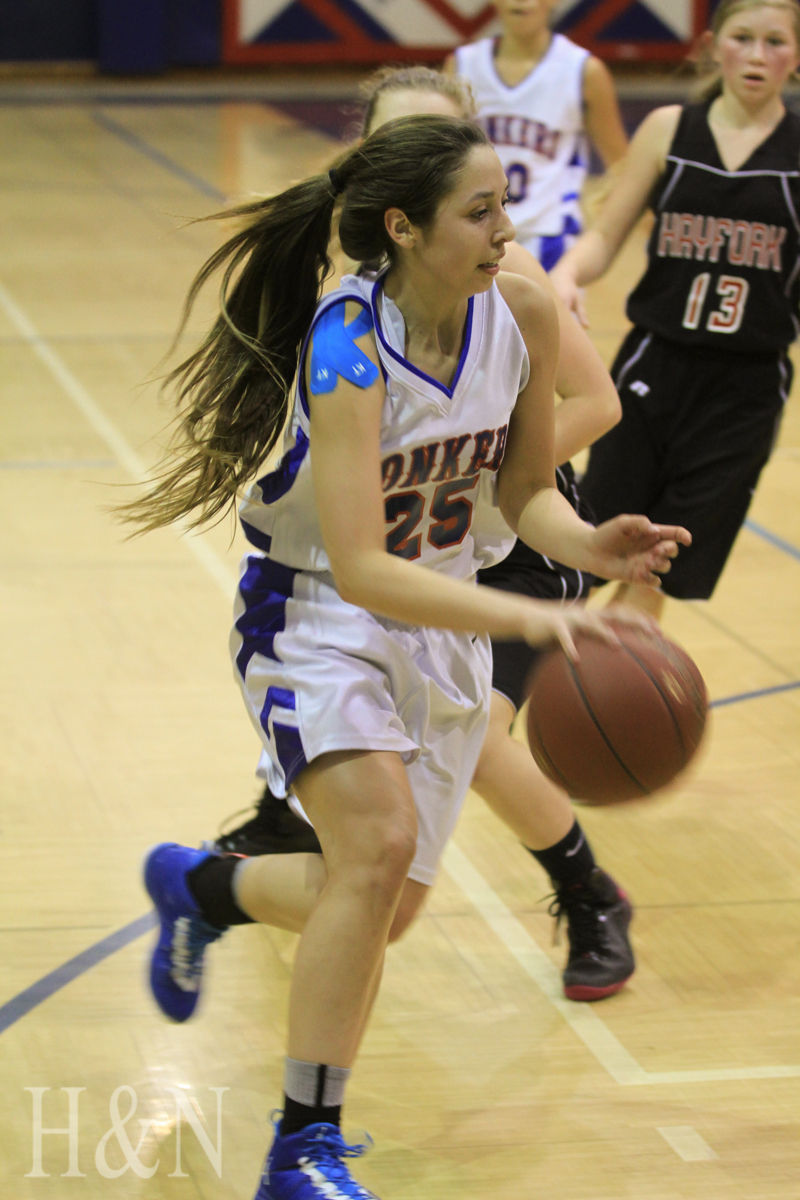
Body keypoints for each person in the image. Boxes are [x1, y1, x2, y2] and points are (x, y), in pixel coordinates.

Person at [123, 115, 689, 1199]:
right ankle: (303, 1148)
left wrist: (590, 540)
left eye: (503, 208)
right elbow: (364, 567)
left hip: (442, 619)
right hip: (316, 617)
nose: (503, 231)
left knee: (384, 901)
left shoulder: (517, 306)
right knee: (374, 850)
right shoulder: (344, 347)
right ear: (403, 228)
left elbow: (520, 493)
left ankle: (201, 887)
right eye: (477, 213)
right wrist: (536, 622)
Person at [212, 65, 637, 1003]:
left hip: (497, 541)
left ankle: (586, 888)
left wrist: (476, 478)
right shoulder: (350, 290)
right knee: (384, 810)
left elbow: (593, 402)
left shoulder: (509, 280)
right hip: (370, 565)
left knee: (473, 744)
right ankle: (273, 842)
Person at [551, 0, 800, 620]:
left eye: (776, 41)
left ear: (796, 56)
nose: (758, 55)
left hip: (746, 386)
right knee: (592, 544)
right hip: (653, 365)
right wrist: (569, 273)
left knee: (659, 569)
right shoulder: (670, 129)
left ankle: (612, 706)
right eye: (744, 38)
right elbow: (606, 234)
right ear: (715, 45)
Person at [444, 0, 628, 268]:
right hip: (476, 235)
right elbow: (439, 157)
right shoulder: (461, 66)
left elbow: (623, 168)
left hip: (551, 241)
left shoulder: (583, 71)